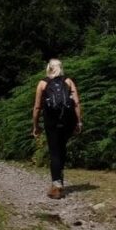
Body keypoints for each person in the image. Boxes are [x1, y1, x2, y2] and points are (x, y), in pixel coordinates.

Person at [31, 59, 82, 199]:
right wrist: (79, 122)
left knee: (54, 151)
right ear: (61, 68)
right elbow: (76, 103)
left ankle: (56, 185)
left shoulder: (42, 83)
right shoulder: (69, 81)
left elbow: (37, 107)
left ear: (49, 68)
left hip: (51, 121)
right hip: (68, 121)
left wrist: (35, 125)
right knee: (62, 148)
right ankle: (60, 177)